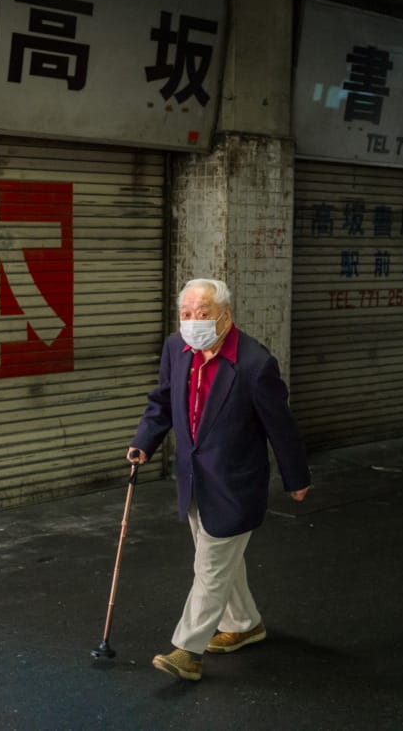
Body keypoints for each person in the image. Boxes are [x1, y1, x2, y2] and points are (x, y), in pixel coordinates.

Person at [127, 278, 311, 682]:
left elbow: (281, 426)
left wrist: (295, 476)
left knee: (210, 568)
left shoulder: (254, 364)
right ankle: (245, 624)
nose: (193, 322)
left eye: (203, 314)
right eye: (186, 314)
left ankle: (187, 651)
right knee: (220, 563)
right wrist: (145, 441)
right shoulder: (177, 348)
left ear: (225, 316)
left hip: (236, 484)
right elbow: (161, 399)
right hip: (193, 480)